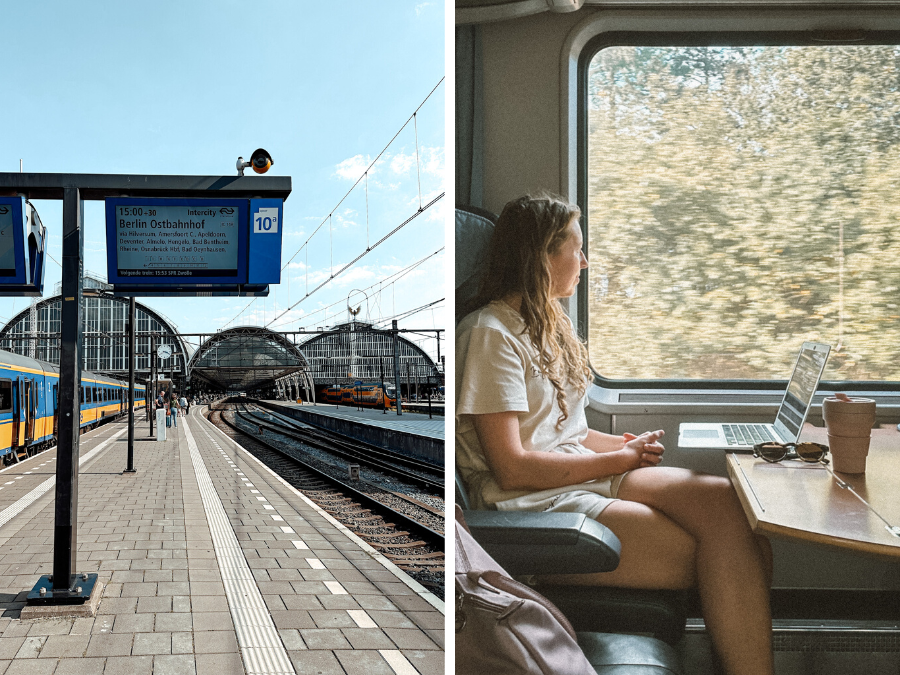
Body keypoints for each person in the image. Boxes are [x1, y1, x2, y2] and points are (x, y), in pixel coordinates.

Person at [456, 193, 774, 675]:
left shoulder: (549, 325)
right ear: (542, 255)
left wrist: (622, 447)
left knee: (732, 508)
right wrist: (617, 462)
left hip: (574, 476)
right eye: (576, 249)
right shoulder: (490, 333)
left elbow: (562, 433)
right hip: (532, 500)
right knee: (728, 555)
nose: (584, 261)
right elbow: (513, 465)